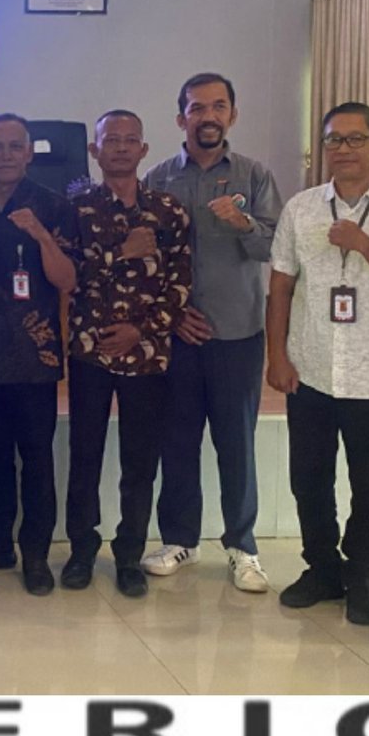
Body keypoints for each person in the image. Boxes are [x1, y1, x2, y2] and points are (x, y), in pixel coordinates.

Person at [266, 103, 369, 626]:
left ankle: (362, 576)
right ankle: (321, 569)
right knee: (309, 478)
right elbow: (280, 286)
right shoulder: (301, 208)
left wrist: (362, 243)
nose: (344, 149)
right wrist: (277, 355)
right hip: (309, 368)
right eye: (334, 140)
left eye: (356, 139)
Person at [141, 72, 283, 592]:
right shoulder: (157, 179)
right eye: (197, 108)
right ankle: (180, 539)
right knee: (177, 442)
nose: (208, 116)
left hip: (237, 334)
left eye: (218, 107)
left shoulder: (254, 175)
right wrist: (173, 312)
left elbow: (276, 249)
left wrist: (243, 224)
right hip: (177, 335)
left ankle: (243, 548)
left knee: (235, 444)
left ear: (232, 115)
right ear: (181, 118)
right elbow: (147, 262)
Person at [65, 110, 191, 597]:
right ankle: (81, 551)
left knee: (140, 462)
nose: (120, 147)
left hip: (147, 353)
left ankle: (129, 555)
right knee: (85, 456)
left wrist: (140, 329)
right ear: (94, 150)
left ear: (144, 149)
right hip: (91, 351)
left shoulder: (168, 211)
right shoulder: (75, 210)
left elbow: (180, 282)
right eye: (110, 140)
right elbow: (68, 278)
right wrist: (121, 253)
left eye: (130, 140)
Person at [0, 113, 77, 595]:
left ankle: (35, 553)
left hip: (34, 355)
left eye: (14, 146)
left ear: (29, 153)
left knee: (37, 460)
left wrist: (41, 235)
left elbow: (67, 279)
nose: (5, 155)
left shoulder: (54, 206)